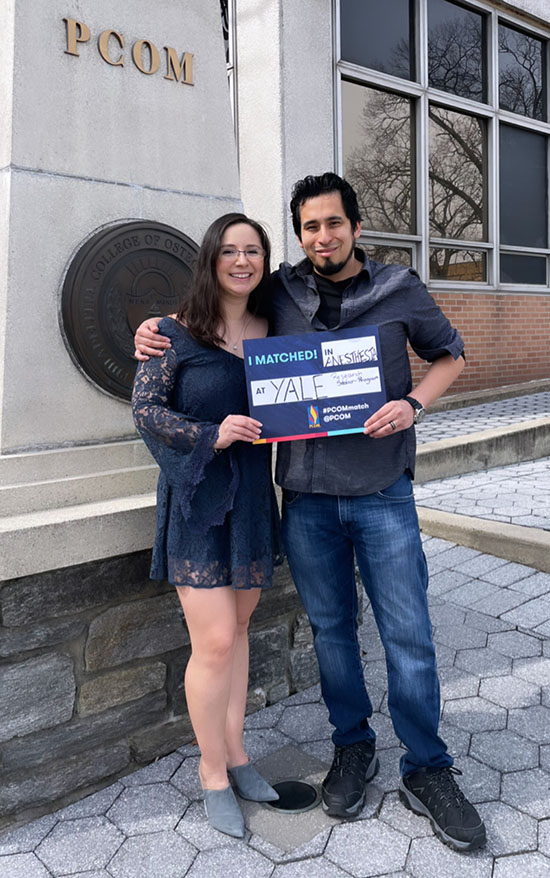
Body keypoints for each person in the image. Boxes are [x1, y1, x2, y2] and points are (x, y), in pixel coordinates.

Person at [134, 174, 486, 852]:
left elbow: (452, 356)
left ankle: (428, 768)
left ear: (356, 225)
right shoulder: (282, 291)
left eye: (332, 223)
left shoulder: (399, 287)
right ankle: (352, 748)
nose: (321, 236)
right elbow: (209, 310)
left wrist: (413, 404)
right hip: (305, 500)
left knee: (407, 636)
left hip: (383, 492)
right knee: (331, 634)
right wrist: (149, 326)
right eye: (309, 227)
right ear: (299, 236)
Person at [132, 213, 282, 839]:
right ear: (210, 260)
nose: (242, 261)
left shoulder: (277, 328)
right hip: (198, 499)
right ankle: (211, 772)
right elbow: (144, 411)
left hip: (251, 497)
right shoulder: (171, 332)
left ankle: (239, 753)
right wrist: (209, 434)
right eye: (230, 251)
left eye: (253, 251)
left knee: (241, 627)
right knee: (215, 640)